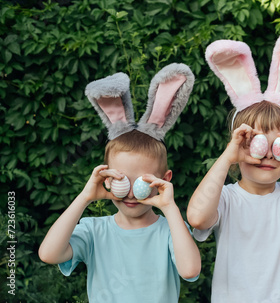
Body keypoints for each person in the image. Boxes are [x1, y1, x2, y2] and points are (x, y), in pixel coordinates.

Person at [187, 25, 280, 302]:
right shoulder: (227, 197)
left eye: (278, 146)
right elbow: (196, 217)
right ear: (237, 148)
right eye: (256, 144)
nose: (268, 155)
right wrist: (228, 157)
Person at [38, 64, 201, 303]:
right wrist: (84, 198)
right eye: (122, 179)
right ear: (107, 179)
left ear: (163, 181)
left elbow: (190, 270)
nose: (132, 194)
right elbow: (49, 254)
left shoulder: (171, 230)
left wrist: (170, 207)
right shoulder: (94, 230)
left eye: (142, 181)